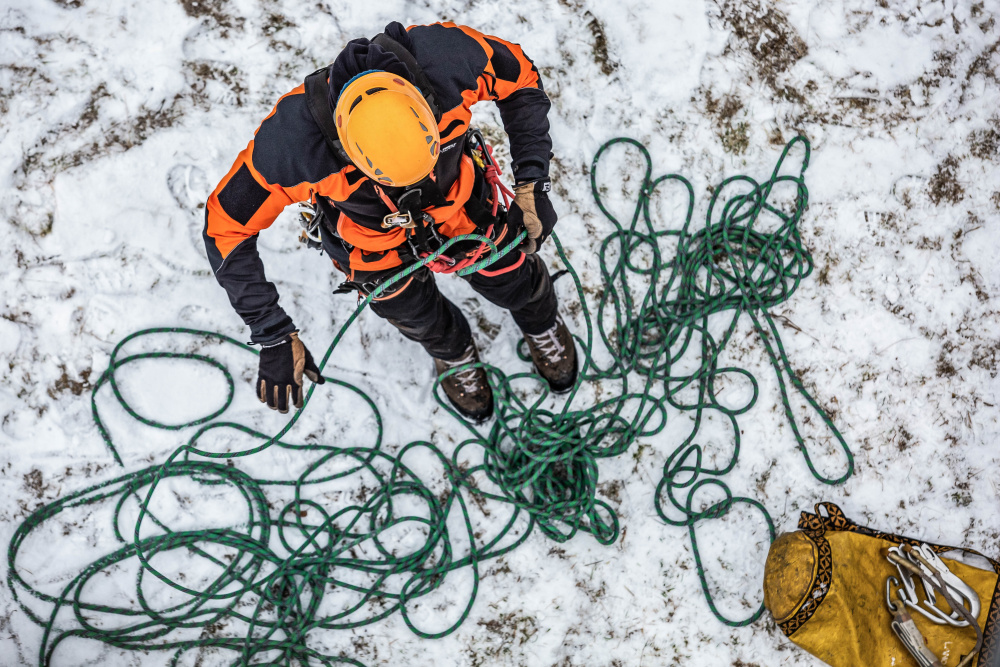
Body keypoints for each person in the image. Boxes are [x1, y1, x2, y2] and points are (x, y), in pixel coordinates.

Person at [203, 21, 576, 423]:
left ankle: (540, 322)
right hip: (370, 241)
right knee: (416, 314)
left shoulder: (448, 59)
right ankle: (453, 352)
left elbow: (520, 77)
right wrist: (272, 331)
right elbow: (225, 225)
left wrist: (532, 183)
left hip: (461, 205)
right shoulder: (293, 146)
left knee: (512, 273)